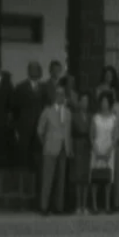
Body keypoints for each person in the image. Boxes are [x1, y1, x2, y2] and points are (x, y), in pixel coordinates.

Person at [37, 85, 73, 215]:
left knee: (61, 180)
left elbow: (68, 132)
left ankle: (59, 207)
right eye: (58, 94)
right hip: (50, 149)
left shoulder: (68, 112)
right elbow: (40, 131)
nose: (61, 96)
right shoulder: (47, 111)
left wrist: (69, 148)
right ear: (54, 96)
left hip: (63, 149)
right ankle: (44, 207)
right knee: (47, 179)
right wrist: (46, 144)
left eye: (63, 94)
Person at [12, 61, 45, 170]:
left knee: (37, 158)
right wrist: (17, 128)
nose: (33, 71)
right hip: (25, 128)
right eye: (31, 69)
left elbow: (46, 107)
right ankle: (23, 185)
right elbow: (15, 109)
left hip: (39, 128)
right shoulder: (20, 87)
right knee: (23, 159)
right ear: (28, 71)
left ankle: (35, 185)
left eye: (36, 69)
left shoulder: (43, 88)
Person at [90, 92, 117, 214]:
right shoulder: (95, 117)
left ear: (109, 103)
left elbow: (115, 137)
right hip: (97, 148)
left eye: (106, 102)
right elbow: (91, 136)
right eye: (102, 101)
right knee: (95, 178)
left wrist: (109, 151)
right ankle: (94, 206)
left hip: (109, 149)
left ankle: (107, 206)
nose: (104, 104)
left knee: (108, 179)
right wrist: (96, 151)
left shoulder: (114, 118)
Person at [70, 92, 92, 215]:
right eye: (83, 101)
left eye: (87, 101)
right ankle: (78, 205)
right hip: (77, 146)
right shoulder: (74, 116)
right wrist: (71, 148)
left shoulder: (90, 116)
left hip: (87, 146)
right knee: (78, 177)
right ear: (79, 103)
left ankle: (85, 205)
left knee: (85, 178)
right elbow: (71, 133)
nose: (85, 103)